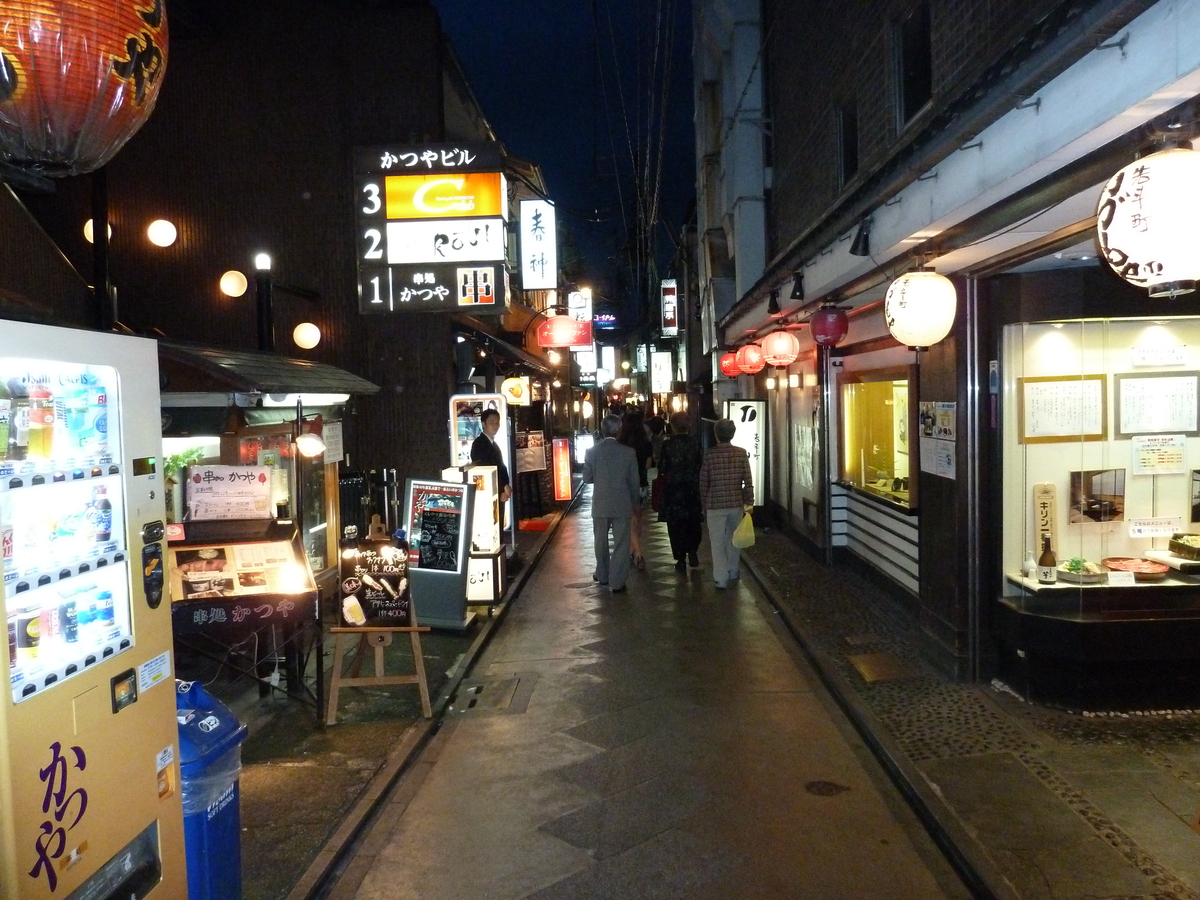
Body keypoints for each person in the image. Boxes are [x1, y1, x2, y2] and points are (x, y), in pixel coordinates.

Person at [582, 413, 642, 593]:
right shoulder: (629, 453)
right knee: (621, 543)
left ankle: (603, 574)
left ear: (602, 429)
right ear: (619, 430)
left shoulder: (592, 452)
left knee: (600, 542)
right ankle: (617, 582)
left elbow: (586, 478)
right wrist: (636, 504)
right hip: (622, 503)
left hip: (600, 504)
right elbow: (634, 482)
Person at [699, 418, 754, 589]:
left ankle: (720, 577)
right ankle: (733, 570)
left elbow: (703, 481)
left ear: (716, 435)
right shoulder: (741, 453)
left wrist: (703, 502)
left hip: (714, 504)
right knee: (733, 538)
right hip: (735, 502)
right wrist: (749, 502)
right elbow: (748, 480)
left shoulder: (709, 454)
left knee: (716, 541)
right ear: (733, 434)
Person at [657, 411, 703, 573]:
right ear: (688, 425)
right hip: (692, 488)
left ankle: (680, 558)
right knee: (693, 522)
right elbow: (701, 464)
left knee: (675, 525)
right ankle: (693, 551)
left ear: (673, 426)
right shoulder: (696, 443)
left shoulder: (668, 444)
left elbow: (661, 467)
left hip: (673, 490)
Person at [618, 409, 653, 569]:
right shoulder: (646, 443)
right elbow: (648, 464)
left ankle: (636, 552)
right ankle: (635, 551)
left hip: (624, 484)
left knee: (629, 519)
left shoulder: (621, 444)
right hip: (641, 484)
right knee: (637, 519)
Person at [471, 408, 512, 526]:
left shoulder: (492, 443)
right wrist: (504, 485)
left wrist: (506, 485)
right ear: (483, 424)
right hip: (491, 489)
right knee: (493, 523)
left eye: (497, 422)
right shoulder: (479, 444)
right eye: (491, 422)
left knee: (497, 521)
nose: (495, 425)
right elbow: (486, 467)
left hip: (498, 488)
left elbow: (501, 466)